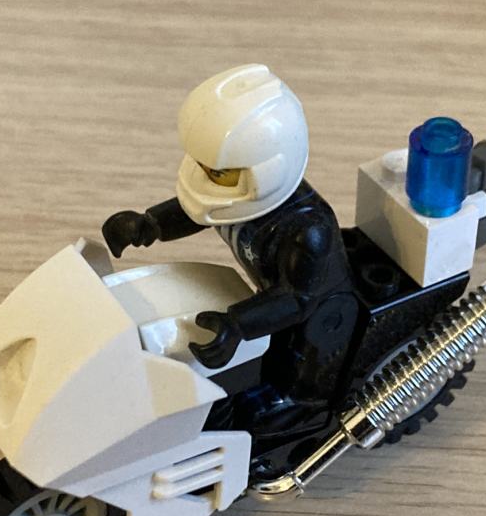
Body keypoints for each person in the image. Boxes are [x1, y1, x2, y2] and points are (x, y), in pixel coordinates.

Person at [102, 64, 357, 407]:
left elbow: (297, 299)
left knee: (303, 366)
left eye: (220, 174)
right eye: (207, 169)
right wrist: (150, 224)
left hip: (320, 310)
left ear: (267, 172)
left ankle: (306, 407)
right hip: (271, 293)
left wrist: (238, 324)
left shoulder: (308, 231)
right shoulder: (239, 198)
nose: (209, 181)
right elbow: (199, 210)